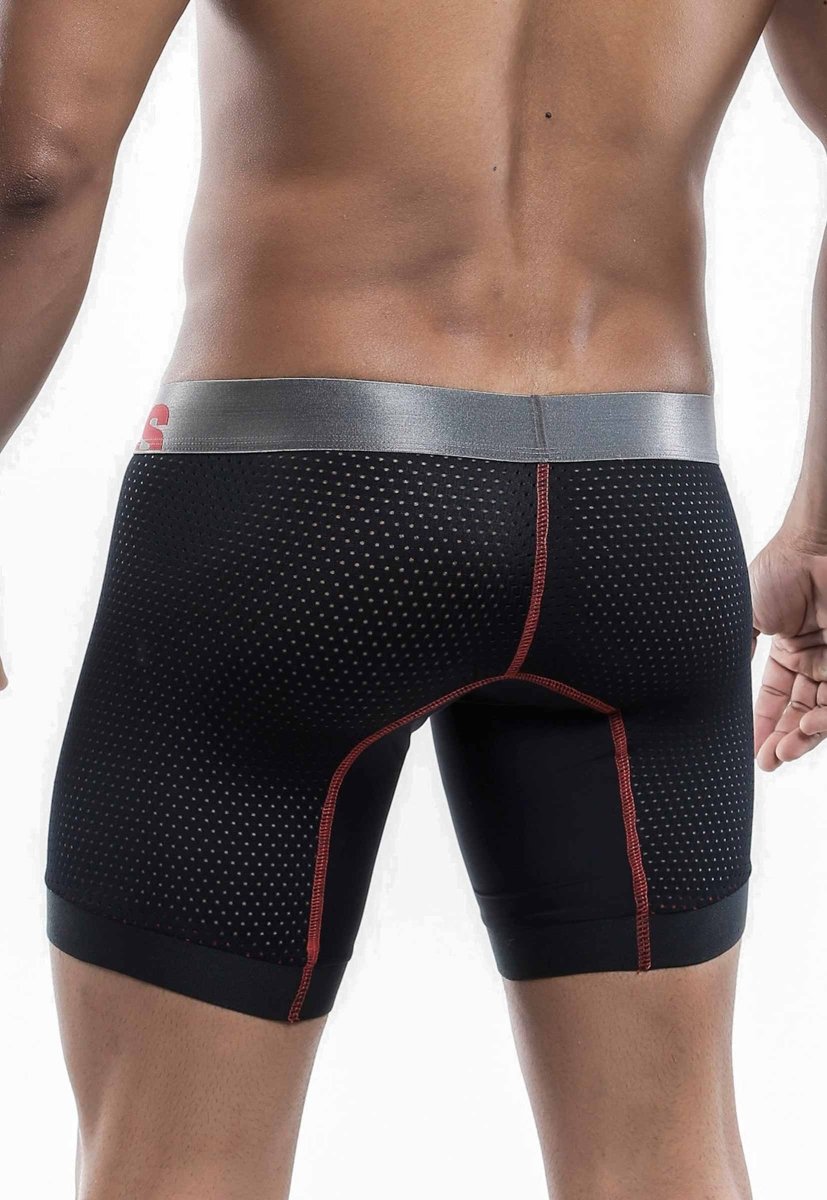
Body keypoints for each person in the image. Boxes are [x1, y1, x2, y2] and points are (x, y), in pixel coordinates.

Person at [1, 1, 826, 1197]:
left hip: (295, 508)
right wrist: (818, 525)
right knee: (660, 1159)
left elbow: (39, 158)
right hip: (640, 514)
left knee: (177, 1165)